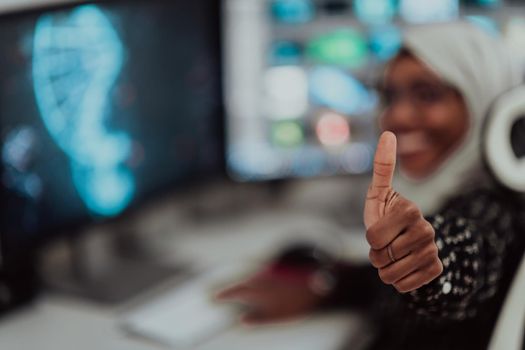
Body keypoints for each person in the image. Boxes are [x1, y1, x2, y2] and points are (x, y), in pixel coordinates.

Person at [217, 22, 525, 349]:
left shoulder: (495, 213)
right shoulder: (453, 193)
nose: (398, 116)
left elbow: (465, 255)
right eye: (390, 96)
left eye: (429, 94)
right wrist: (331, 287)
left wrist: (429, 259)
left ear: (484, 99)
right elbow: (389, 287)